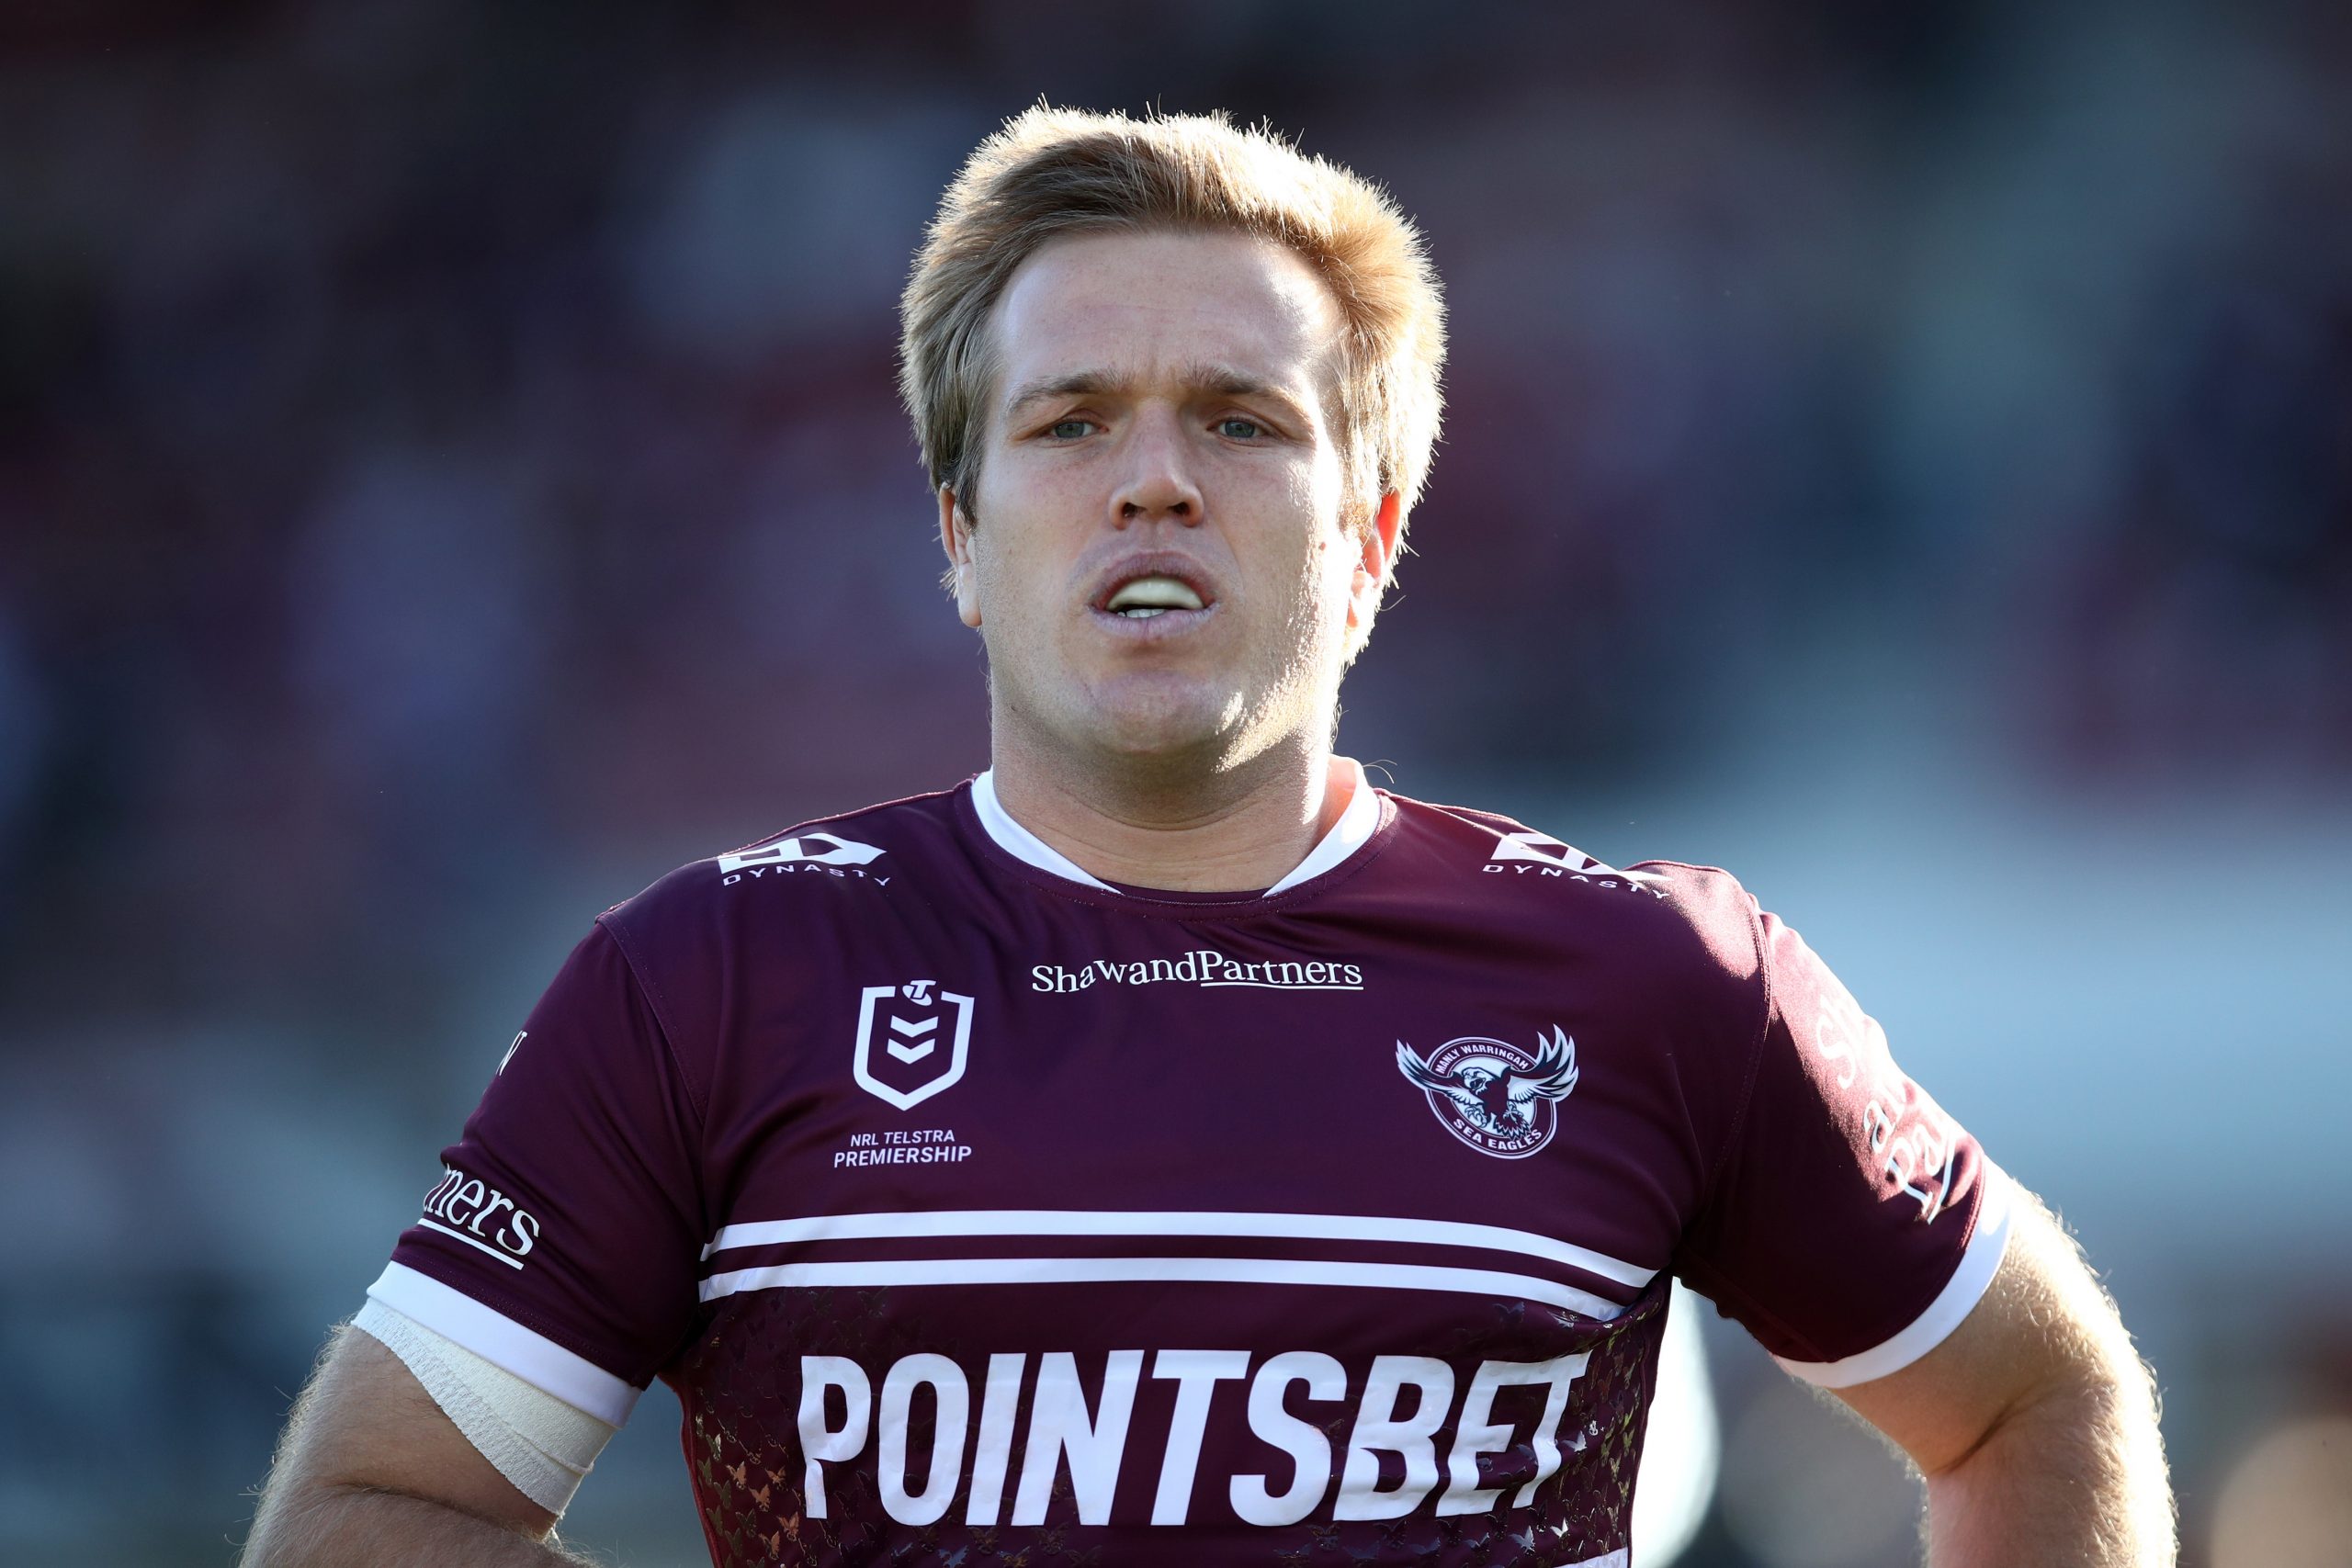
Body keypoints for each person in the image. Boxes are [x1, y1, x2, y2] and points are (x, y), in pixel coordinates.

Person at [242, 107, 2174, 1566]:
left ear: (1371, 530)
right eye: (1070, 420)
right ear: (955, 528)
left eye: (1241, 423)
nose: (1153, 477)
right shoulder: (706, 977)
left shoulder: (1654, 979)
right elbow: (381, 1501)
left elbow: (2029, 1392)